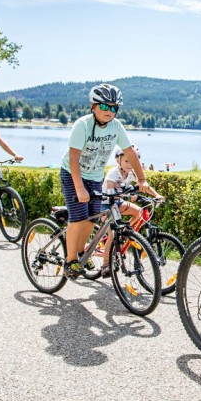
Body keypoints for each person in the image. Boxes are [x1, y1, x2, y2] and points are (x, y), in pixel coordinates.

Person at [59, 84, 155, 279]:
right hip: (72, 173)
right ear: (93, 106)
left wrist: (142, 179)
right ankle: (70, 261)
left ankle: (79, 254)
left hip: (94, 176)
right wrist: (79, 188)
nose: (109, 111)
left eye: (113, 108)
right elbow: (73, 158)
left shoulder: (116, 126)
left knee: (92, 217)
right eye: (104, 106)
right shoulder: (83, 125)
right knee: (78, 217)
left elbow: (130, 153)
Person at [99, 146, 162, 278]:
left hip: (119, 204)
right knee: (112, 233)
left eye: (132, 162)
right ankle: (105, 264)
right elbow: (110, 190)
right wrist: (124, 196)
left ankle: (125, 233)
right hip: (106, 205)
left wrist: (156, 195)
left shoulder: (132, 174)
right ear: (118, 161)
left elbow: (144, 187)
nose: (130, 165)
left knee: (139, 213)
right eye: (126, 161)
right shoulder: (113, 173)